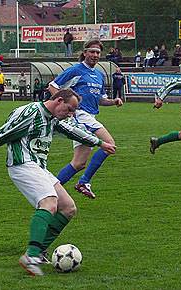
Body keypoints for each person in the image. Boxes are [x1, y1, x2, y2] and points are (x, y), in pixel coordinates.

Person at [0, 88, 116, 276]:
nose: (71, 114)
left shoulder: (52, 118)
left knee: (68, 208)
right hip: (22, 164)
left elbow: (72, 131)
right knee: (49, 202)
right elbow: (3, 133)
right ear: (58, 100)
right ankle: (31, 256)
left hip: (38, 167)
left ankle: (38, 251)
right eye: (69, 109)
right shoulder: (31, 112)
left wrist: (100, 143)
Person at [49, 39, 123, 199]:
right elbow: (53, 85)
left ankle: (49, 190)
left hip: (90, 116)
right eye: (92, 51)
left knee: (78, 163)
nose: (95, 55)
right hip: (80, 116)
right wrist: (62, 104)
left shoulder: (99, 75)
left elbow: (101, 100)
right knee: (109, 144)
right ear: (85, 52)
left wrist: (113, 101)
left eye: (97, 52)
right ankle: (84, 182)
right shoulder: (76, 70)